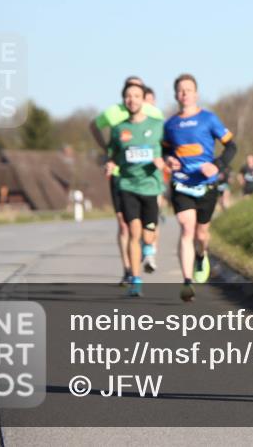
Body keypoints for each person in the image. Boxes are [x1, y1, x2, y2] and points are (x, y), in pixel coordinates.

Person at [162, 73, 237, 302]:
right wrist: (168, 160)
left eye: (189, 90)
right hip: (181, 183)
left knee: (201, 234)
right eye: (181, 90)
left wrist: (217, 165)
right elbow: (165, 151)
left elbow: (232, 146)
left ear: (196, 93)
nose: (185, 94)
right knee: (186, 228)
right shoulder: (170, 124)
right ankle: (187, 282)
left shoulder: (209, 119)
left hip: (206, 185)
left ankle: (201, 254)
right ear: (176, 95)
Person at [88, 76, 164, 285]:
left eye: (137, 94)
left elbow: (164, 145)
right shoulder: (114, 115)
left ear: (143, 96)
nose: (132, 99)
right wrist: (106, 152)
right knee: (125, 226)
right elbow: (93, 126)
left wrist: (164, 161)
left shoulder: (154, 115)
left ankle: (148, 251)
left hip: (148, 180)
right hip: (122, 177)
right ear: (124, 96)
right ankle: (129, 270)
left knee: (147, 226)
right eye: (128, 95)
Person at [141, 85, 165, 273]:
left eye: (151, 101)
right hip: (134, 180)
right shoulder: (135, 123)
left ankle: (150, 250)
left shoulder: (159, 121)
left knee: (152, 218)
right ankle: (144, 246)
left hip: (155, 179)